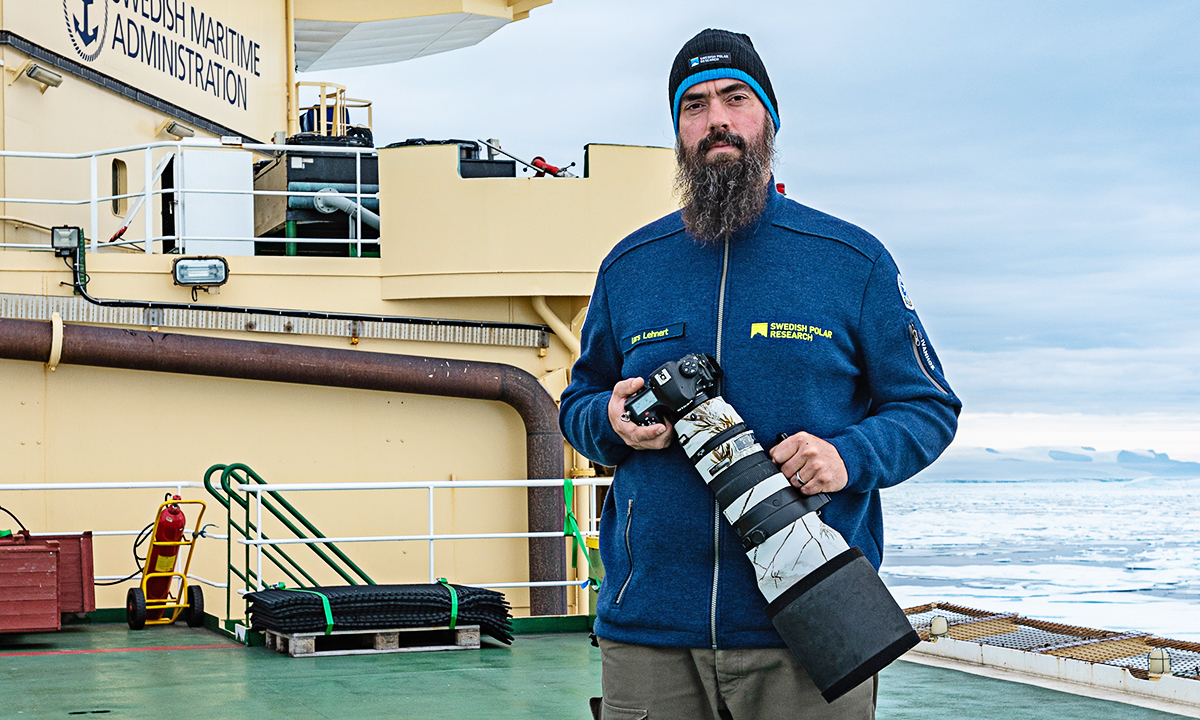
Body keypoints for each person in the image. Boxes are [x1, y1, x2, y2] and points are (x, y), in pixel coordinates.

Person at [559, 28, 961, 720]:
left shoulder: (848, 259)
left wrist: (847, 456)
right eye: (696, 105)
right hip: (650, 631)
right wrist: (609, 421)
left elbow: (927, 407)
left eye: (736, 98)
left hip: (808, 626)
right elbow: (579, 402)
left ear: (768, 118)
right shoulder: (631, 266)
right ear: (679, 132)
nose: (717, 119)